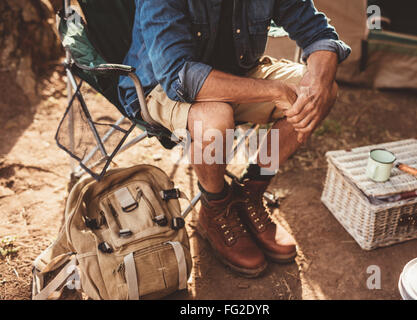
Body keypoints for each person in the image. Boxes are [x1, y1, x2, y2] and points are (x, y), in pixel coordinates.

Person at [118, 0, 351, 278]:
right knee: (215, 119)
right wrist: (272, 90)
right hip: (160, 88)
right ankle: (215, 209)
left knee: (321, 92)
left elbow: (319, 33)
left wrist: (318, 83)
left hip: (238, 75)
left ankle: (250, 192)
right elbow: (179, 78)